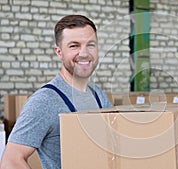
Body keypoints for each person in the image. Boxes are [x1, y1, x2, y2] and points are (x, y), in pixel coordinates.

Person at [0, 15, 112, 169]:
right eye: (74, 46)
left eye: (90, 45)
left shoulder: (98, 95)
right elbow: (10, 161)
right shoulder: (44, 101)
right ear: (59, 52)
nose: (84, 53)